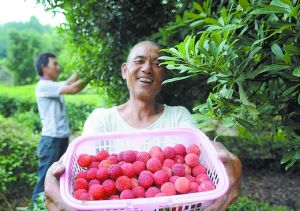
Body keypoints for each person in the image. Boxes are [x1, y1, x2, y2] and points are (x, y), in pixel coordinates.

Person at [44, 41, 242, 210]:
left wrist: (230, 160)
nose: (147, 68)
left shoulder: (178, 116)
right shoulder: (101, 119)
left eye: (157, 64)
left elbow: (203, 148)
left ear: (163, 76)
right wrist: (56, 177)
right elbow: (73, 164)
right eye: (139, 61)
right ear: (124, 70)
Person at [32, 52, 90, 203]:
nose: (58, 67)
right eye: (54, 64)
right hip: (51, 140)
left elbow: (69, 82)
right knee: (45, 179)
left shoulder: (51, 85)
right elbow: (72, 89)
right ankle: (35, 206)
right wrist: (92, 74)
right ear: (44, 67)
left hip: (60, 137)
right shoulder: (44, 86)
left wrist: (82, 70)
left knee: (59, 176)